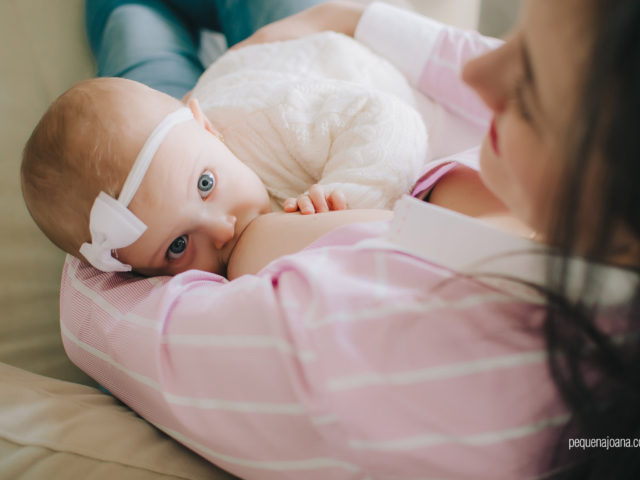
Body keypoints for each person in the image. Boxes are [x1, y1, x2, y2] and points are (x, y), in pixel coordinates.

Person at [54, 1, 640, 479]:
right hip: (312, 74)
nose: (479, 75)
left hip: (189, 147)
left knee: (132, 22)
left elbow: (97, 310)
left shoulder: (369, 368)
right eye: (518, 37)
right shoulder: (586, 189)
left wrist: (120, 202)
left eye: (533, 85)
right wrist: (348, 18)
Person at [21, 28, 440, 276]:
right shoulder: (183, 166)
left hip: (321, 68)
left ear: (208, 129)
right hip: (196, 111)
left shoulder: (276, 120)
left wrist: (348, 197)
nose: (222, 231)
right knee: (134, 29)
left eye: (206, 185)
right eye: (178, 246)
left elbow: (390, 120)